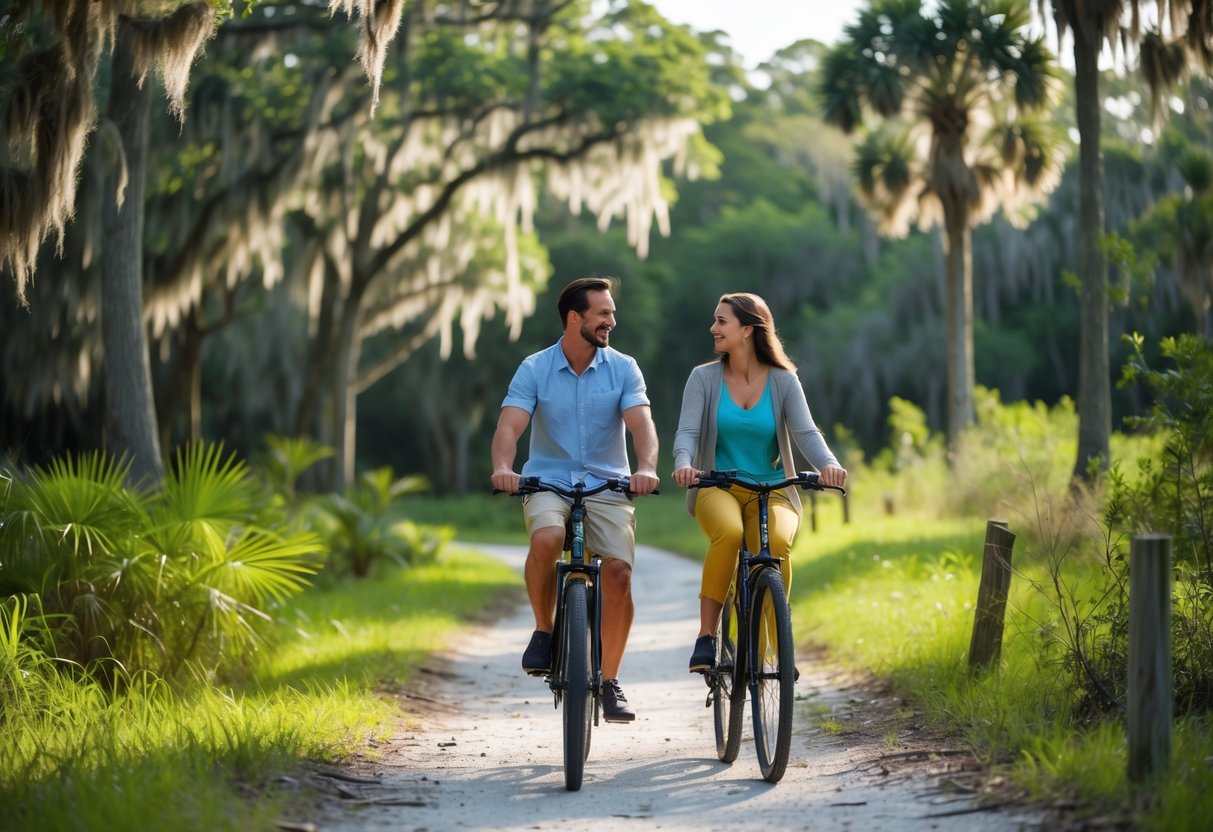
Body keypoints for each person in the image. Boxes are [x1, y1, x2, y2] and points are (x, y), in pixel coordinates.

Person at [490, 276, 660, 723]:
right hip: (548, 481)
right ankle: (544, 632)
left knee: (619, 574)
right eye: (603, 313)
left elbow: (641, 425)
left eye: (611, 313)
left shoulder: (624, 367)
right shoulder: (534, 368)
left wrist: (645, 468)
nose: (611, 321)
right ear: (574, 318)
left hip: (609, 485)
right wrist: (504, 468)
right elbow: (509, 427)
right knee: (547, 538)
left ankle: (609, 681)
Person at [671, 292, 847, 673]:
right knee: (731, 534)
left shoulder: (784, 381)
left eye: (722, 321)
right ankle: (706, 637)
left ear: (747, 330)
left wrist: (829, 464)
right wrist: (685, 464)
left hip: (773, 490)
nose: (713, 328)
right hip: (717, 486)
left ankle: (771, 650)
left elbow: (806, 433)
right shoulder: (703, 379)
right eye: (715, 320)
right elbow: (686, 432)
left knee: (778, 544)